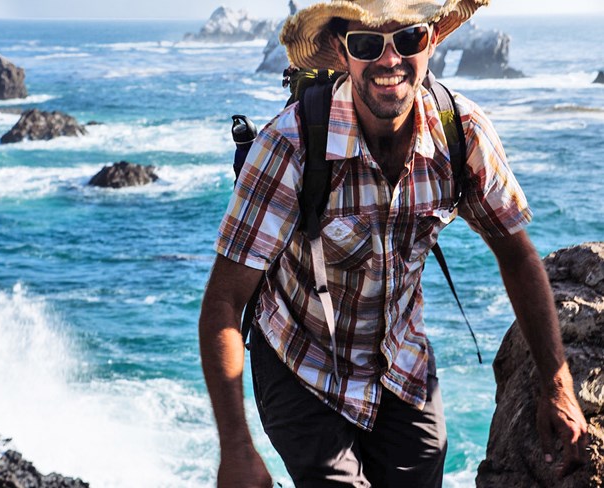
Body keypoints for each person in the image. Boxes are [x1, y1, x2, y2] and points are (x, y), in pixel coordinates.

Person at [199, 0, 589, 486]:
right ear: (344, 53)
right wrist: (236, 448)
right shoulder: (290, 145)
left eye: (407, 39)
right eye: (368, 44)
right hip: (300, 357)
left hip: (400, 359)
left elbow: (517, 256)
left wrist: (558, 384)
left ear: (429, 43)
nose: (390, 61)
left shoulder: (460, 134)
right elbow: (224, 299)